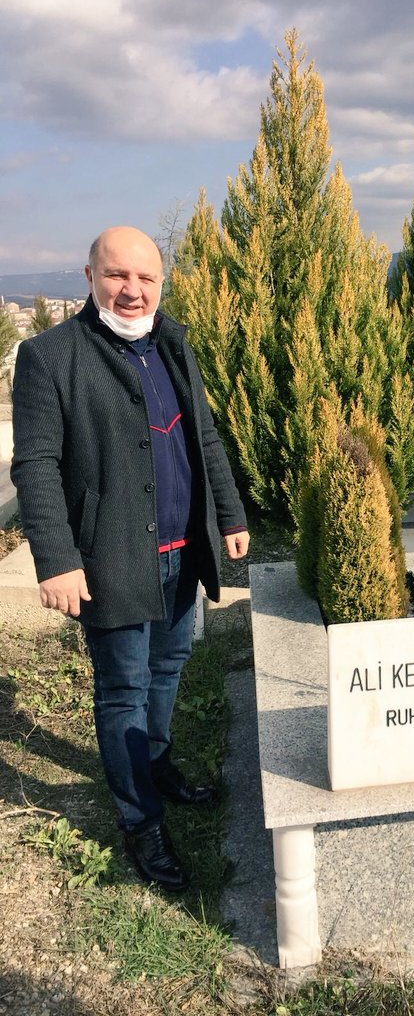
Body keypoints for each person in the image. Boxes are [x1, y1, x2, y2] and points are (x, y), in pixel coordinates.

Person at [11, 226, 250, 890]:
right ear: (90, 277)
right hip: (111, 556)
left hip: (181, 550)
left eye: (146, 278)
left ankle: (154, 761)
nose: (132, 290)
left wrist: (227, 515)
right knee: (122, 690)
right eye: (118, 275)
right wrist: (56, 559)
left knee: (168, 666)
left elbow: (202, 436)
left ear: (160, 284)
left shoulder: (171, 341)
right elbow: (35, 466)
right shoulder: (50, 355)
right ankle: (140, 823)